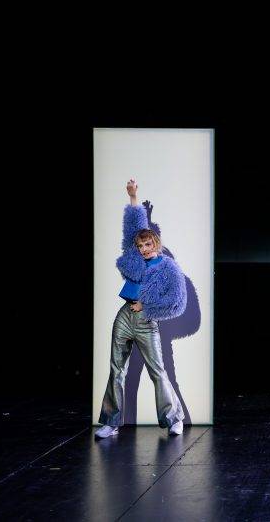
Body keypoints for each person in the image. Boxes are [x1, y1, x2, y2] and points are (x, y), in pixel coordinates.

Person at [95, 179, 187, 439]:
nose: (143, 249)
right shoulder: (135, 257)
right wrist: (133, 198)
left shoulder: (168, 268)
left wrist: (146, 306)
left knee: (157, 371)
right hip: (124, 316)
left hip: (147, 321)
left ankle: (174, 419)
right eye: (140, 246)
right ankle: (111, 423)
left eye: (148, 245)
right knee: (116, 369)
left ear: (156, 244)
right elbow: (133, 228)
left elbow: (177, 303)